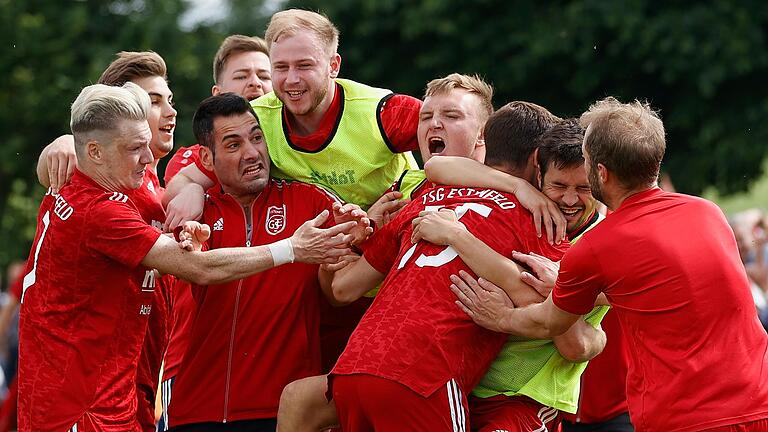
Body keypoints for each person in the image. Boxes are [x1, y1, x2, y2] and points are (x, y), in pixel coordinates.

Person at [18, 83, 362, 432]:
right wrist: (292, 248)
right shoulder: (100, 209)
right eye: (136, 147)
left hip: (120, 396)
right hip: (79, 404)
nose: (149, 157)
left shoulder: (125, 182)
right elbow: (196, 268)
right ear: (93, 152)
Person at [451, 97, 768, 431]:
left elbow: (548, 324)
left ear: (600, 172)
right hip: (757, 401)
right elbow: (666, 289)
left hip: (687, 418)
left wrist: (501, 315)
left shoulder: (598, 246)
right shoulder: (707, 213)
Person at [276, 72, 503, 432]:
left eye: (452, 116)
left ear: (483, 133)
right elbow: (340, 290)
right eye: (426, 117)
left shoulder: (514, 193)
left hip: (468, 378)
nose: (435, 124)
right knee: (298, 401)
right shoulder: (409, 191)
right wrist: (348, 239)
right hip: (396, 366)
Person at [165, 93, 369, 432]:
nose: (252, 153)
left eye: (257, 138)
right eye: (232, 145)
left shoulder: (312, 202)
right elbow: (192, 272)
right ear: (206, 158)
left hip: (284, 412)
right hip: (194, 410)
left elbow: (339, 293)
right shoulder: (194, 214)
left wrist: (354, 241)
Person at [415, 115, 609, 432]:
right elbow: (436, 168)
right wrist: (518, 186)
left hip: (526, 397)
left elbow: (577, 346)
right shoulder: (527, 202)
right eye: (559, 186)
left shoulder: (603, 244)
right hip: (466, 384)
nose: (570, 200)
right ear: (539, 171)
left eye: (584, 188)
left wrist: (552, 291)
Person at [34, 50, 177, 431]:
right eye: (153, 101)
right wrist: (62, 142)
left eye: (170, 99)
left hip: (147, 377)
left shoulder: (165, 177)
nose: (170, 112)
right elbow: (65, 162)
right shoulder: (103, 179)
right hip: (98, 395)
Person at [157, 35, 274, 431]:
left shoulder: (293, 154)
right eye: (243, 76)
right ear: (219, 92)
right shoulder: (195, 157)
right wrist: (191, 186)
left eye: (265, 75)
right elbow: (174, 188)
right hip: (195, 359)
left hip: (277, 368)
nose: (256, 84)